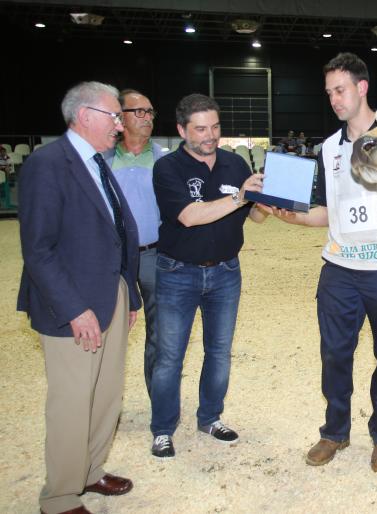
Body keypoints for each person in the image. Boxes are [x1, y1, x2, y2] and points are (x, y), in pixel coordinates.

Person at [267, 52, 377, 473]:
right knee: (334, 353)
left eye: (341, 89)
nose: (334, 99)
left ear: (362, 87)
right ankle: (335, 431)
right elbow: (330, 213)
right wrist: (292, 216)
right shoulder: (330, 148)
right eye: (330, 92)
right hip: (338, 268)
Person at [17, 81, 142, 514]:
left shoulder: (97, 162)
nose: (120, 124)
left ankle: (89, 471)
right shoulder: (47, 164)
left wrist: (130, 296)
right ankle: (60, 496)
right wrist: (74, 309)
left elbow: (117, 233)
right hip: (73, 305)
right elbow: (38, 249)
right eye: (114, 115)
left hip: (110, 294)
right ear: (83, 115)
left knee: (106, 394)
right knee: (71, 399)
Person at [148, 93, 265, 459]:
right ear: (182, 130)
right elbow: (188, 216)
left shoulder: (234, 164)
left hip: (226, 271)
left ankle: (210, 417)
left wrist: (269, 202)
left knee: (219, 352)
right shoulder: (167, 168)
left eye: (215, 127)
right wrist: (240, 198)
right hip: (177, 272)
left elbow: (255, 216)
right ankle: (163, 429)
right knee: (170, 356)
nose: (210, 135)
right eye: (200, 129)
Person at [105, 89, 163, 397]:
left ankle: (159, 400)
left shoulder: (165, 160)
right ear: (120, 117)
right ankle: (105, 403)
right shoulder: (102, 160)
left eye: (150, 111)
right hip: (113, 260)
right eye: (139, 111)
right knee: (110, 331)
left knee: (160, 332)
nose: (147, 117)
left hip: (154, 254)